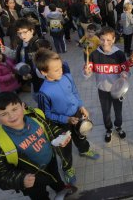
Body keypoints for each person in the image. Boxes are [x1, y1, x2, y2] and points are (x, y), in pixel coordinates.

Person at [0, 92, 76, 199]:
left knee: (56, 178)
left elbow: (49, 126)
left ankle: (60, 189)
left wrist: (60, 135)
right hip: (31, 177)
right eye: (4, 114)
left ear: (22, 106)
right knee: (39, 196)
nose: (11, 116)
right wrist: (20, 179)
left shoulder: (35, 116)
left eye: (14, 109)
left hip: (50, 161)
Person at [35, 49, 99, 183]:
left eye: (61, 67)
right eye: (56, 70)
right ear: (44, 72)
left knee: (81, 135)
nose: (61, 71)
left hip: (76, 114)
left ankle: (84, 149)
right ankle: (67, 167)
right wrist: (66, 119)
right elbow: (46, 115)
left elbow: (74, 92)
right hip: (60, 123)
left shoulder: (67, 76)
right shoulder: (43, 92)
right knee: (64, 148)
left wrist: (81, 106)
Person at [83, 27, 129, 143]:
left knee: (118, 111)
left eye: (108, 40)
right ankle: (108, 129)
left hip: (117, 90)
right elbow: (87, 73)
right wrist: (86, 72)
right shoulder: (94, 54)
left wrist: (124, 74)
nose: (105, 43)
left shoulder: (119, 54)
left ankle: (118, 126)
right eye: (102, 40)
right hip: (102, 89)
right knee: (106, 112)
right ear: (99, 39)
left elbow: (126, 70)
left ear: (114, 39)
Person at [14, 18, 51, 100]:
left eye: (24, 32)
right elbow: (21, 57)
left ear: (31, 31)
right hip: (32, 80)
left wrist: (32, 74)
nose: (22, 36)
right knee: (36, 97)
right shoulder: (21, 44)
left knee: (44, 100)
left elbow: (47, 64)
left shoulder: (39, 44)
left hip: (44, 81)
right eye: (19, 33)